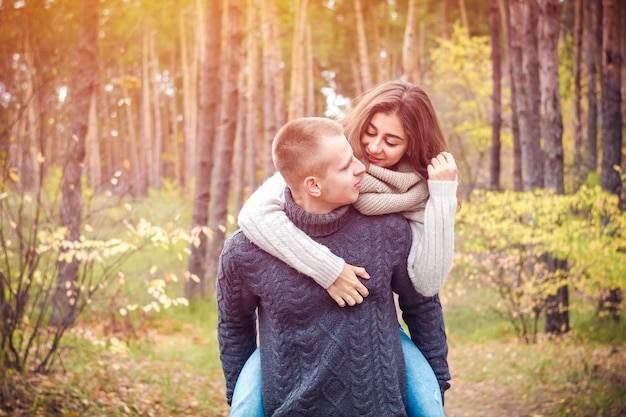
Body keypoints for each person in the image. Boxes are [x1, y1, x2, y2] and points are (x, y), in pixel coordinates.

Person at [231, 80, 457, 416]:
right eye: (371, 131)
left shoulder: (419, 193)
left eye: (391, 141)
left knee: (429, 404)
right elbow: (253, 214)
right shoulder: (328, 153)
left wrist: (442, 196)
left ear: (413, 147)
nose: (373, 148)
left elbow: (425, 286)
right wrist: (329, 269)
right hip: (286, 337)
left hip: (375, 328)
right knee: (245, 405)